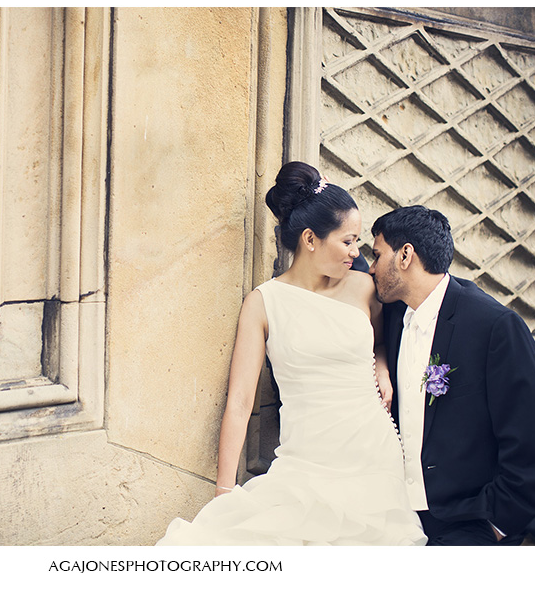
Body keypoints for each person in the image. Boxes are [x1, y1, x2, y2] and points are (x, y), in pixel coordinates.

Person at [157, 162, 426, 545]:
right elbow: (240, 401)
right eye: (348, 241)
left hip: (372, 455)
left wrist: (381, 366)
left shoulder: (365, 287)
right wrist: (224, 490)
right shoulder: (263, 303)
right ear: (310, 239)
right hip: (305, 459)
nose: (356, 252)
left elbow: (380, 341)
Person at [369, 205, 535, 546]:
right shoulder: (395, 314)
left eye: (377, 255)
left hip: (472, 519)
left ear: (405, 256)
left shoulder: (494, 326)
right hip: (402, 515)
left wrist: (496, 524)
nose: (371, 268)